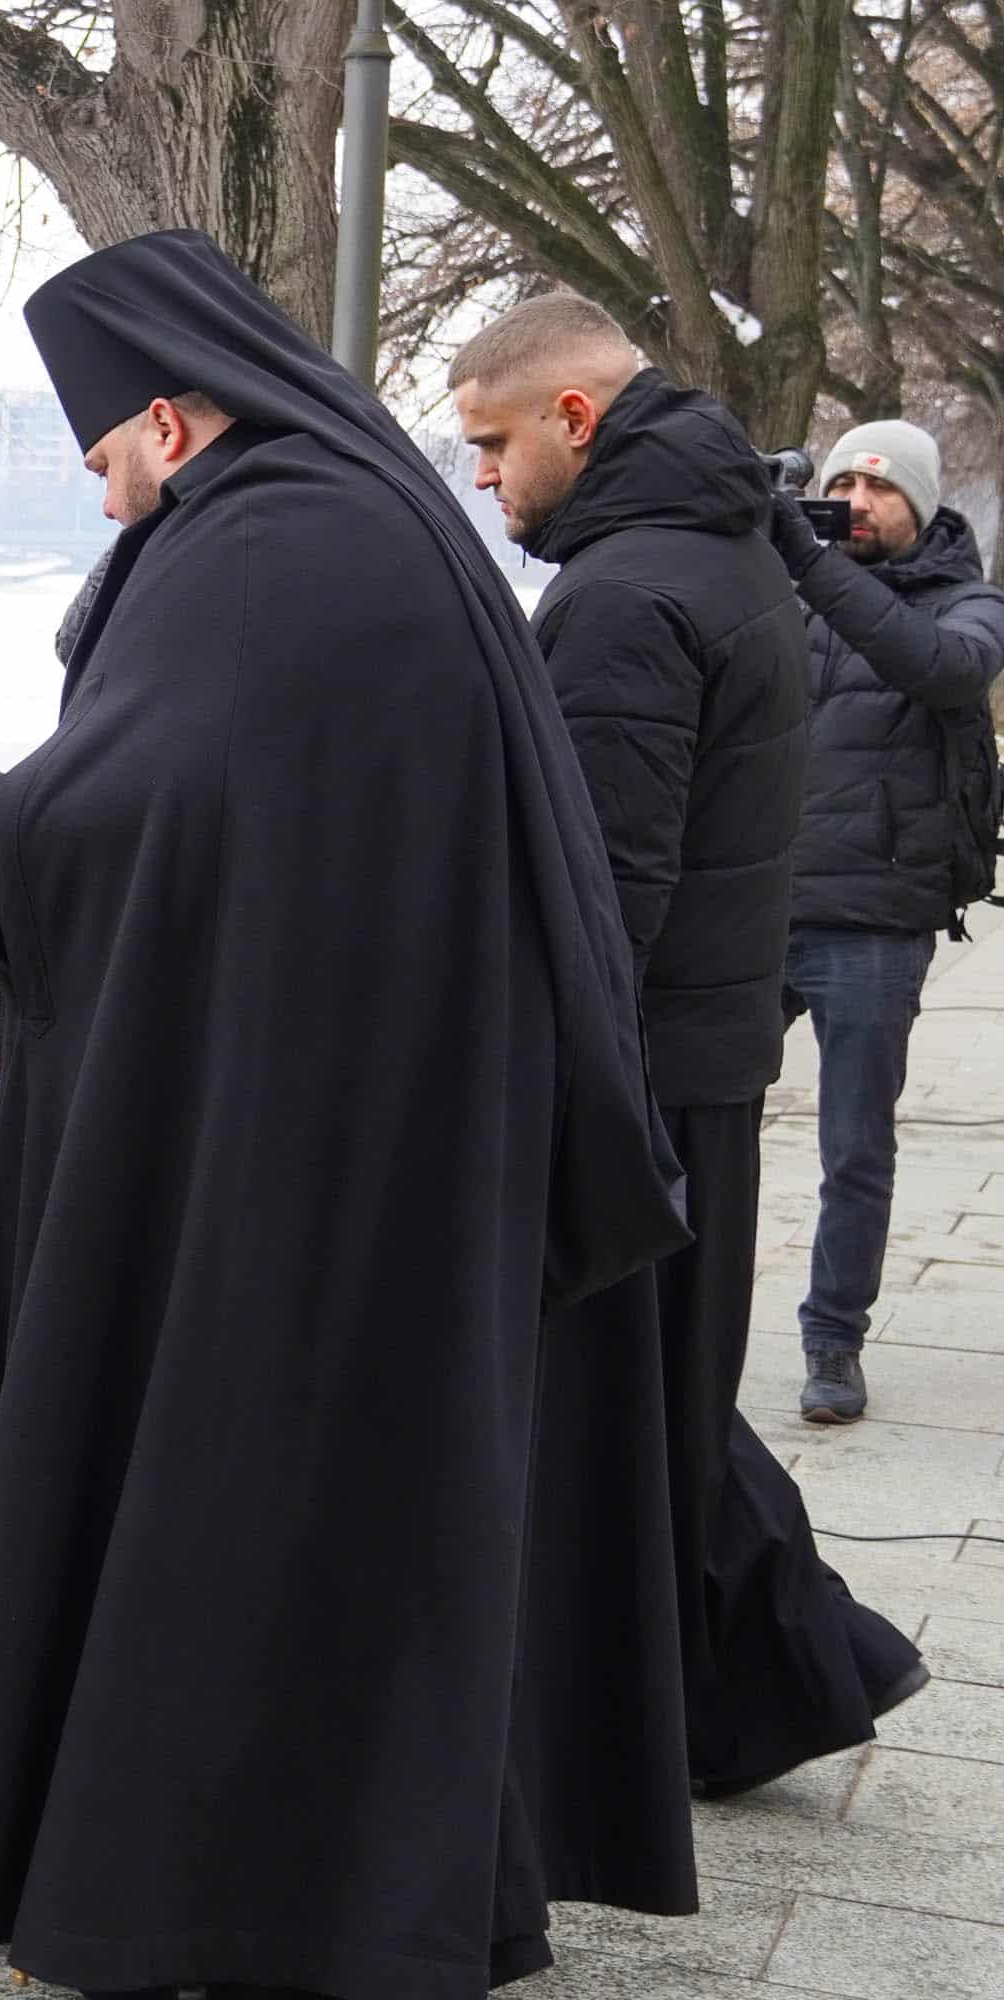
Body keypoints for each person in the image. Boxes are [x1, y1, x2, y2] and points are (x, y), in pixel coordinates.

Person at [0, 230, 693, 2000]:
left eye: (104, 464)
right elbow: (249, 828)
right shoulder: (351, 517)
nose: (105, 506)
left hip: (306, 1161)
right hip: (356, 1117)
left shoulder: (271, 542)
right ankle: (345, 1893)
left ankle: (236, 1897)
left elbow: (139, 809)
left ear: (169, 422)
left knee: (259, 1514)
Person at [452, 292, 923, 1829]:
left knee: (630, 1421)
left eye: (494, 443)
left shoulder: (621, 595)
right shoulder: (716, 552)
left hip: (639, 1073)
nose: (484, 479)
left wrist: (533, 1089)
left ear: (574, 420)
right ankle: (781, 1680)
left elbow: (599, 894)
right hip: (701, 1061)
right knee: (664, 1405)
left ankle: (733, 1696)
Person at [764, 418, 1004, 1422]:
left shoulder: (968, 601)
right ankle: (659, 1316)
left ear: (921, 501)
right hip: (760, 911)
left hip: (875, 921)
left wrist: (809, 563)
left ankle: (833, 1340)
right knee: (678, 1117)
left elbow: (942, 669)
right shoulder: (790, 590)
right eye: (840, 484)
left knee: (853, 1148)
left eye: (879, 488)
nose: (856, 502)